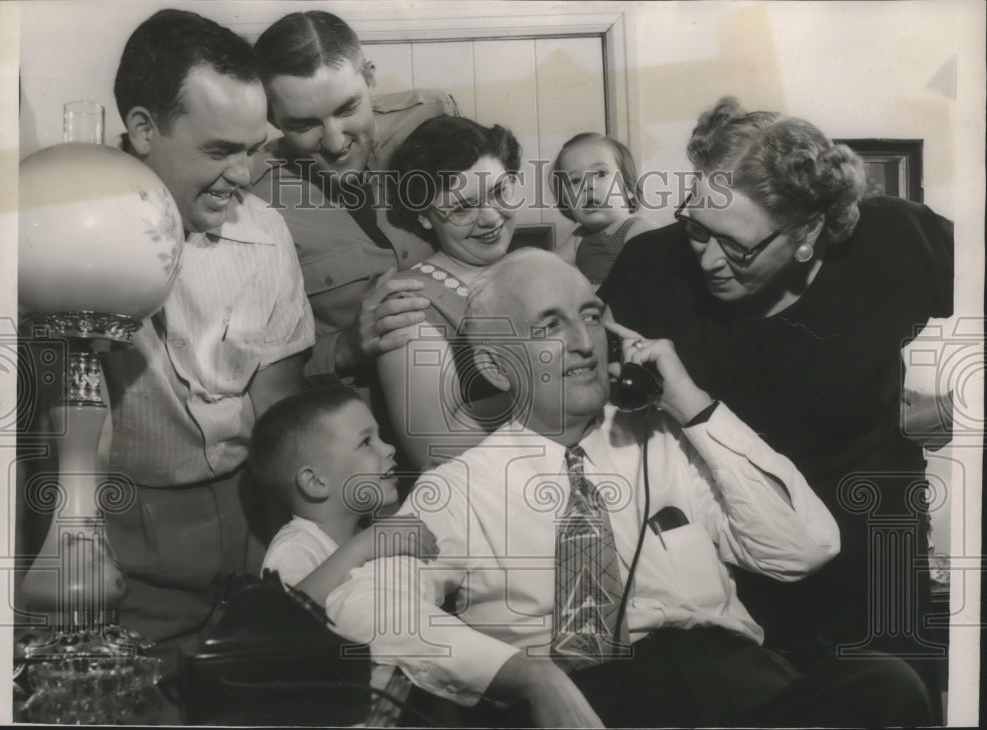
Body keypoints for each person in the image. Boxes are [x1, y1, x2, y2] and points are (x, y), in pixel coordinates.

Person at [323, 249, 932, 728]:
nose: (585, 344)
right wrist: (528, 678)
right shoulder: (460, 488)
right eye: (549, 326)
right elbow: (362, 604)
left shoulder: (670, 440)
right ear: (492, 364)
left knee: (887, 683)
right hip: (593, 703)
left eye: (590, 316)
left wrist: (689, 403)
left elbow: (804, 547)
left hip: (743, 690)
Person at [599, 96, 954, 709]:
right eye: (695, 228)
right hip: (741, 544)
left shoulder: (894, 241)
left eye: (736, 247)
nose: (707, 259)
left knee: (895, 697)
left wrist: (957, 411)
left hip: (874, 541)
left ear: (809, 231)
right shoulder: (651, 267)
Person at [98, 8, 314, 675]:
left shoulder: (267, 233)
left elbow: (278, 411)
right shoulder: (71, 234)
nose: (244, 174)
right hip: (123, 527)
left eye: (253, 148)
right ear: (143, 129)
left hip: (251, 514)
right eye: (220, 151)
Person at [250, 10, 461, 384]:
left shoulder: (432, 120)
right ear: (272, 118)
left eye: (347, 108)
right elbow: (257, 369)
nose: (334, 142)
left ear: (370, 76)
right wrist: (345, 349)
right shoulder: (252, 195)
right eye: (304, 124)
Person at [376, 116, 522, 469]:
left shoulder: (529, 268)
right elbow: (433, 451)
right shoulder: (409, 303)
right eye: (462, 207)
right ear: (425, 217)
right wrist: (541, 389)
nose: (490, 218)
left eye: (499, 191)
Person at [249, 384, 437, 591]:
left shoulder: (362, 533)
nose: (389, 448)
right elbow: (282, 616)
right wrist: (361, 549)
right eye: (366, 442)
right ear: (315, 482)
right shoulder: (294, 548)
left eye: (379, 437)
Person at [552, 133, 656, 287]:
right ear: (566, 200)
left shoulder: (637, 229)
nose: (587, 186)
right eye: (575, 180)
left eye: (600, 174)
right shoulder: (578, 239)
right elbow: (548, 266)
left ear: (628, 187)